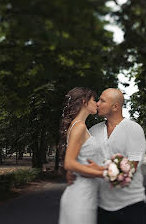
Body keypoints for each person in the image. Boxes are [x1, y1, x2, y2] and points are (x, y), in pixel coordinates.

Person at [67, 88, 146, 224]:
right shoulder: (93, 131)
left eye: (102, 101)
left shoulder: (133, 129)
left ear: (115, 107)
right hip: (101, 207)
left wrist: (98, 171)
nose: (97, 103)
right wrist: (74, 170)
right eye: (98, 100)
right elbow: (80, 163)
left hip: (131, 206)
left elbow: (130, 170)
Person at [58, 87, 106, 224]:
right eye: (94, 100)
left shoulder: (80, 126)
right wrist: (104, 174)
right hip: (80, 198)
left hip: (86, 195)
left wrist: (103, 169)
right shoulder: (79, 127)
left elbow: (81, 162)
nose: (97, 103)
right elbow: (69, 163)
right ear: (84, 102)